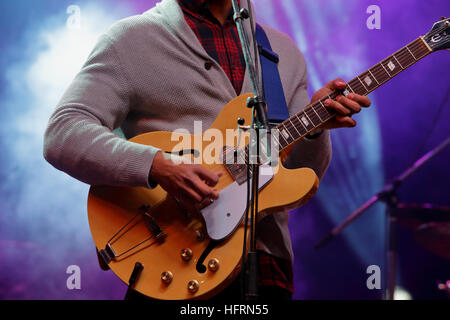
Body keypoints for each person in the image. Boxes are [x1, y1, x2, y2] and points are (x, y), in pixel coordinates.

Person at [43, 0, 371, 300]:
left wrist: (314, 130)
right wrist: (157, 165)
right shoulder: (132, 39)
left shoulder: (283, 53)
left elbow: (303, 176)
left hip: (267, 272)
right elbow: (64, 132)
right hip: (173, 263)